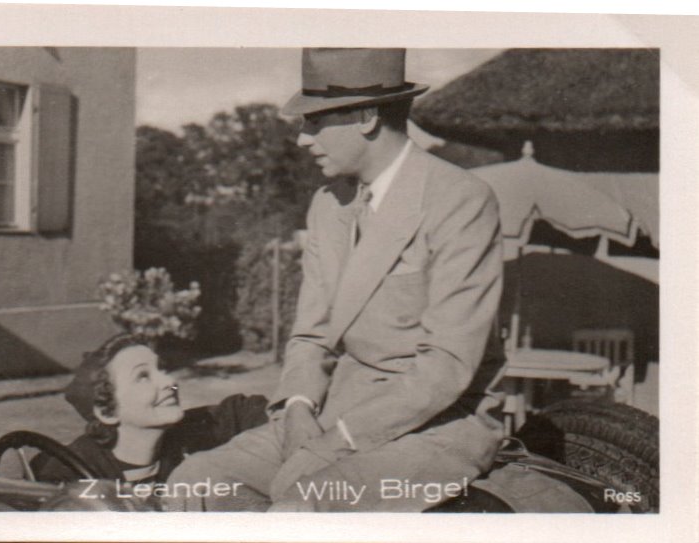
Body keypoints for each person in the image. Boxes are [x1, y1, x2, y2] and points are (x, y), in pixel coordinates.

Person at [164, 48, 506, 512]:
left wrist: (339, 438)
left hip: (438, 424)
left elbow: (445, 367)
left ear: (366, 117)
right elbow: (311, 335)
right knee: (195, 483)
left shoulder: (459, 199)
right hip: (333, 410)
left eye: (315, 122)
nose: (303, 139)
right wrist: (298, 406)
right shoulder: (328, 205)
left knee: (305, 503)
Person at [33, 333, 268, 509]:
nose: (169, 382)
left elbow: (247, 411)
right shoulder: (68, 473)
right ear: (107, 411)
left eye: (162, 369)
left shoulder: (194, 432)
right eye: (143, 377)